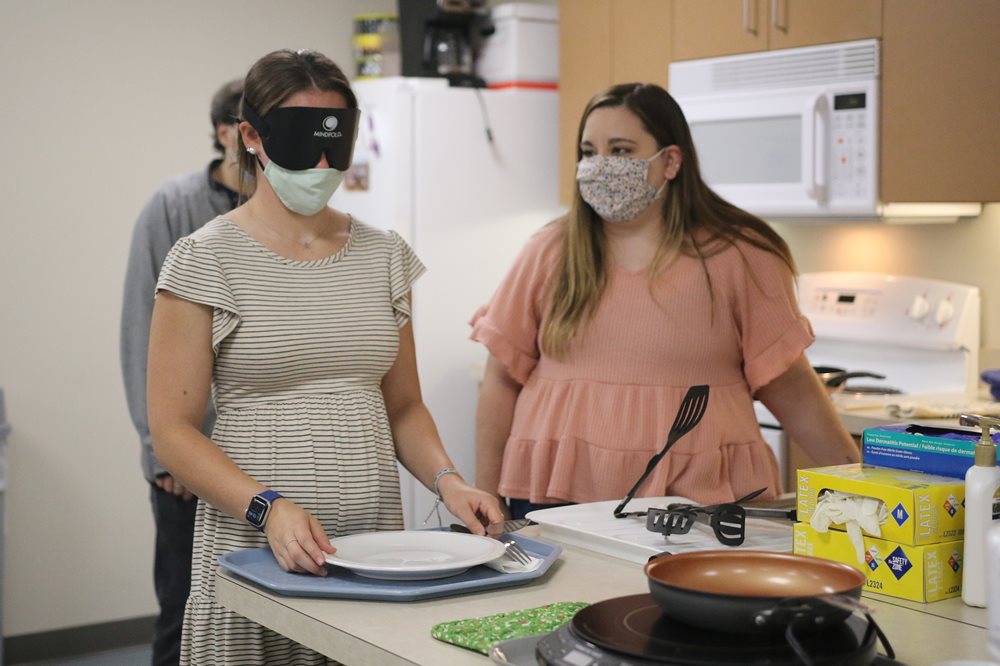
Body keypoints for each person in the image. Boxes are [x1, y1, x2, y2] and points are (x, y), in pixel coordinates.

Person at [146, 48, 503, 665]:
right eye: (301, 140)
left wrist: (450, 482)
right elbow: (172, 431)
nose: (319, 163)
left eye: (333, 145)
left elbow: (406, 406)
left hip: (374, 548)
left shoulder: (383, 256)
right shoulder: (204, 260)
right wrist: (267, 508)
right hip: (257, 543)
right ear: (251, 135)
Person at [471, 82, 860, 520]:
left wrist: (860, 486)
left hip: (696, 501)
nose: (600, 166)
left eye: (620, 151)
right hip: (554, 494)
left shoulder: (740, 256)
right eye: (589, 151)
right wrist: (487, 499)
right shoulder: (549, 251)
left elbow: (790, 386)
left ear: (670, 161)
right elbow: (501, 379)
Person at [120, 77, 246, 666]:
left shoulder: (289, 213)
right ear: (226, 133)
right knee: (184, 608)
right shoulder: (172, 207)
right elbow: (140, 331)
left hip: (262, 454)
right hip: (186, 456)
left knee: (260, 614)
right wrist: (162, 449)